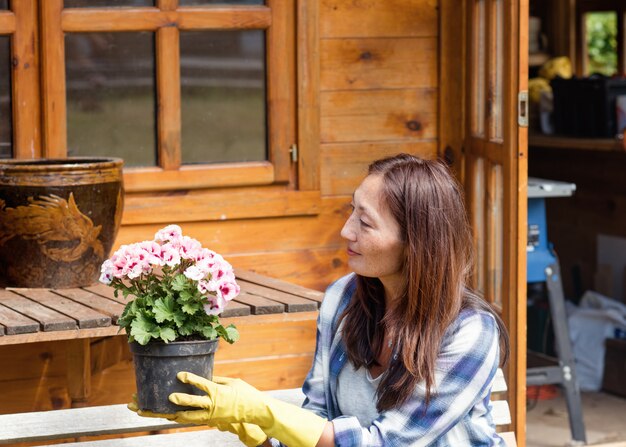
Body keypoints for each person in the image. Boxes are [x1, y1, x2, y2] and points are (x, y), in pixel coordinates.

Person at [132, 153, 510, 446]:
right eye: (352, 211)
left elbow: (385, 443)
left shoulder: (470, 331)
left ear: (417, 244)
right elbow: (316, 421)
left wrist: (265, 410)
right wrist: (258, 429)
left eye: (365, 222)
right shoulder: (343, 299)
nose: (346, 230)